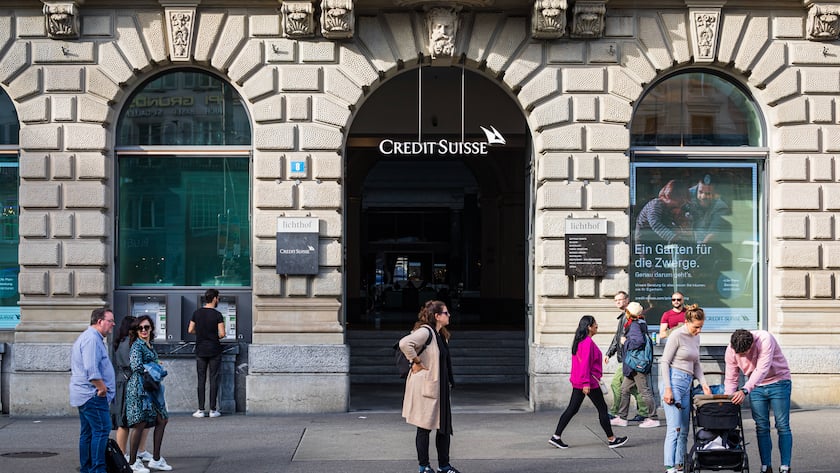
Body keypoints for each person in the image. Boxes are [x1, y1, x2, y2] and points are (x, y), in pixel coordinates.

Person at [548, 315, 629, 450]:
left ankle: (556, 437)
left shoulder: (581, 341)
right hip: (588, 382)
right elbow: (584, 364)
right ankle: (612, 439)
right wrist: (586, 383)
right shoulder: (587, 343)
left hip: (581, 381)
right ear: (589, 327)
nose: (597, 325)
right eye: (595, 323)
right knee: (602, 409)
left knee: (572, 409)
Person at [399, 300, 460, 473]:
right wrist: (415, 361)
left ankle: (444, 466)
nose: (449, 315)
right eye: (446, 313)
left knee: (444, 429)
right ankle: (424, 466)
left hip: (440, 387)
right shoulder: (426, 332)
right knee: (424, 427)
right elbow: (405, 343)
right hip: (427, 387)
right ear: (437, 316)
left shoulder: (441, 334)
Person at [725, 329, 793, 473]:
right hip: (755, 387)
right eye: (740, 354)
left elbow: (762, 369)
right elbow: (731, 377)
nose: (743, 356)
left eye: (745, 353)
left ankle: (785, 466)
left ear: (752, 344)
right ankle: (765, 466)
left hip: (778, 382)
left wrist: (745, 390)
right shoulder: (731, 349)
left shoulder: (764, 339)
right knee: (761, 427)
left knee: (782, 425)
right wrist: (728, 401)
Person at [659, 304, 713, 473]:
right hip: (673, 382)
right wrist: (668, 389)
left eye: (701, 327)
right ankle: (670, 467)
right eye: (697, 327)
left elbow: (696, 363)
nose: (699, 330)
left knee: (684, 430)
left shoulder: (696, 337)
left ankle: (681, 465)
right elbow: (664, 362)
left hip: (687, 384)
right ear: (687, 322)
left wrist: (704, 384)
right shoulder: (677, 335)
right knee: (674, 428)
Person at [70, 308, 116, 473]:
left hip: (85, 395)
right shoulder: (91, 339)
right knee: (102, 429)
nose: (113, 324)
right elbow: (91, 369)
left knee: (88, 433)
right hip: (92, 395)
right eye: (110, 321)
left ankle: (87, 468)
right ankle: (97, 469)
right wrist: (102, 388)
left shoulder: (90, 337)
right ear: (99, 321)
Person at [127, 315, 172, 472]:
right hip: (140, 388)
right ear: (136, 330)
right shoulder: (137, 346)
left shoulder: (149, 345)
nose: (144, 330)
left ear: (151, 328)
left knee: (162, 420)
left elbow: (148, 364)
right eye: (140, 328)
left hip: (152, 388)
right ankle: (132, 462)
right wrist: (153, 367)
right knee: (140, 423)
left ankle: (156, 459)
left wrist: (155, 365)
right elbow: (136, 366)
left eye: (146, 327)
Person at [612, 301, 660, 428]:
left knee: (644, 390)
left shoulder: (634, 325)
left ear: (629, 313)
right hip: (634, 363)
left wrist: (625, 342)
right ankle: (622, 418)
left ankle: (653, 418)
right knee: (624, 389)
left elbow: (638, 341)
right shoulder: (641, 323)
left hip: (636, 363)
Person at [111, 316, 152, 462]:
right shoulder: (129, 344)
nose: (141, 330)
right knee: (126, 421)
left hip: (123, 383)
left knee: (136, 420)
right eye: (137, 327)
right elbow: (135, 365)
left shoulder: (120, 343)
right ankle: (126, 454)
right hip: (129, 384)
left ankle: (134, 452)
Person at [605, 291, 648, 422]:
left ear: (627, 300)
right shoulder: (624, 317)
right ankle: (644, 411)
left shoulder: (631, 318)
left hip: (628, 358)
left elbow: (631, 340)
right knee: (634, 387)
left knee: (616, 384)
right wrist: (609, 352)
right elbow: (617, 337)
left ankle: (616, 412)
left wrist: (623, 347)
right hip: (625, 357)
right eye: (615, 300)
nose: (617, 302)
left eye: (620, 299)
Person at [188, 288, 226, 418]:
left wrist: (201, 334)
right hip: (214, 349)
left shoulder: (197, 313)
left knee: (201, 379)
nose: (219, 299)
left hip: (200, 350)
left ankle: (200, 410)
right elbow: (222, 334)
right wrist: (213, 336)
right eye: (218, 297)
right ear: (214, 298)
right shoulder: (217, 315)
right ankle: (213, 410)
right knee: (213, 379)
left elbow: (190, 329)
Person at [635, 180, 692, 246]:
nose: (679, 207)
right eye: (679, 203)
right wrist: (673, 238)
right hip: (645, 240)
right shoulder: (656, 204)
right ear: (668, 197)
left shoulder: (668, 208)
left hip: (659, 240)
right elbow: (655, 224)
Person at [685, 174, 730, 244]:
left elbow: (712, 234)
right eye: (700, 192)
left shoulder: (721, 207)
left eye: (708, 193)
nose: (703, 196)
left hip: (706, 244)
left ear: (715, 194)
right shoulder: (685, 195)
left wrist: (702, 250)